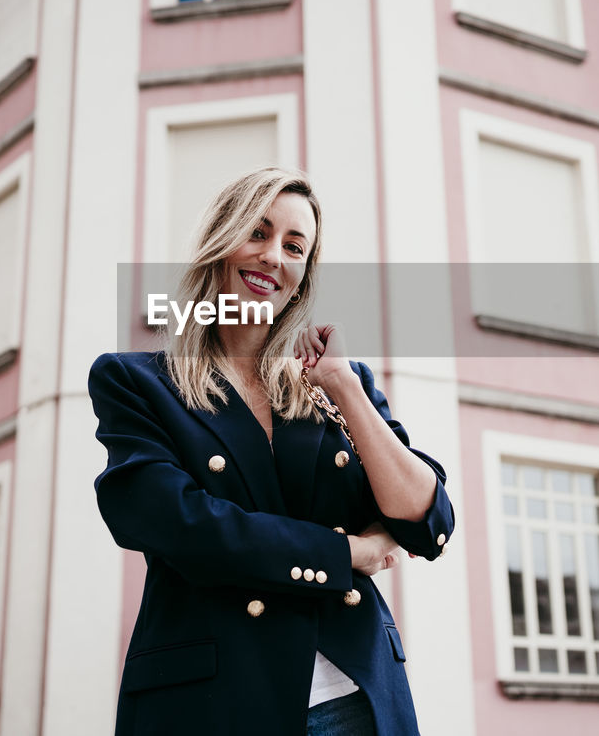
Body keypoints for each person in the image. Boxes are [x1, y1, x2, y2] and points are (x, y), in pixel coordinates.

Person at [88, 167, 455, 735]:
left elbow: (425, 520)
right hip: (213, 701)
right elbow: (176, 523)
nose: (272, 257)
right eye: (256, 233)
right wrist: (346, 554)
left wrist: (346, 389)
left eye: (293, 246)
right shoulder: (138, 382)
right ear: (220, 238)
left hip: (357, 696)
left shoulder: (334, 379)